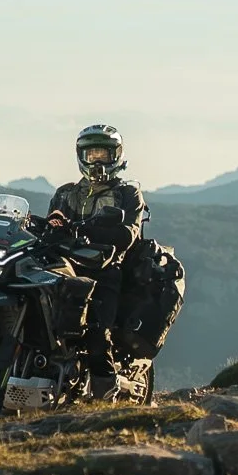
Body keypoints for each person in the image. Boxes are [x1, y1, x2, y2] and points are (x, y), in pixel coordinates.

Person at [45, 124, 147, 397]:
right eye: (92, 155)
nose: (98, 161)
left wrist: (82, 229)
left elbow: (128, 235)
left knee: (95, 332)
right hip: (64, 267)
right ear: (81, 156)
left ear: (117, 156)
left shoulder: (128, 193)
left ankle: (105, 393)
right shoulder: (65, 193)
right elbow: (50, 227)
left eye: (104, 154)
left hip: (105, 269)